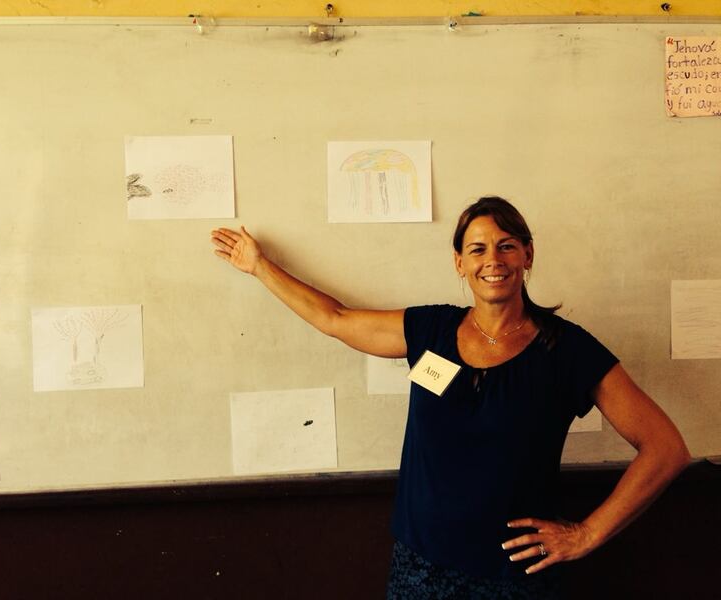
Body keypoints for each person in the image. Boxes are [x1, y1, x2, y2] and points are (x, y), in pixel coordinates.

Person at [210, 196, 691, 599]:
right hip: (421, 568)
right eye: (477, 249)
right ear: (459, 263)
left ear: (527, 254)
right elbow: (335, 319)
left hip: (517, 578)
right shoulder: (430, 330)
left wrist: (585, 535)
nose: (493, 260)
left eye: (506, 246)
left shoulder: (567, 350)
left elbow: (666, 450)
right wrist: (259, 267)